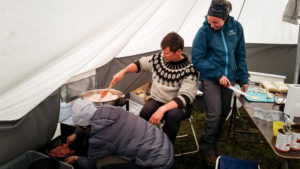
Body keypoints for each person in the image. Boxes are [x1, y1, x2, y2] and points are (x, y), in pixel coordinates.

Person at [110, 32, 199, 144]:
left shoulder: (189, 70)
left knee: (173, 115)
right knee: (145, 112)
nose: (162, 55)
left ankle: (165, 149)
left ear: (178, 51)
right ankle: (143, 143)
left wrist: (162, 109)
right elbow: (140, 64)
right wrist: (123, 72)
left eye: (166, 53)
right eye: (162, 52)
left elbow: (186, 97)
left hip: (179, 105)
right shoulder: (158, 59)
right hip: (157, 99)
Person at [191, 0, 249, 166]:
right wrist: (217, 74)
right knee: (214, 114)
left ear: (225, 17)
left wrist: (243, 78)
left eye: (215, 22)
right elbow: (197, 59)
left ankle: (214, 143)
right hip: (211, 78)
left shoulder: (236, 28)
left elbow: (241, 55)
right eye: (209, 21)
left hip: (229, 78)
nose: (212, 25)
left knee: (224, 113)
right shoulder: (204, 31)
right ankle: (207, 148)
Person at [64, 100, 174, 169]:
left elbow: (90, 165)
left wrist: (76, 159)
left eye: (78, 126)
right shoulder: (110, 109)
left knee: (101, 163)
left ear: (84, 127)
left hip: (158, 164)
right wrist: (76, 134)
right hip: (164, 145)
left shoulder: (99, 138)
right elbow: (90, 121)